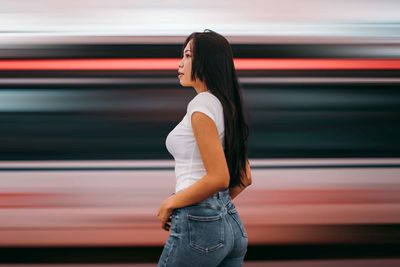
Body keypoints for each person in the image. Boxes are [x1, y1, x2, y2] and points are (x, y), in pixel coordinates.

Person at [157, 29, 252, 267]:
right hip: (231, 227)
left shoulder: (201, 106)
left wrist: (172, 202)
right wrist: (215, 209)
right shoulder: (226, 106)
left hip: (200, 228)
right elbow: (244, 177)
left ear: (205, 62)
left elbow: (219, 177)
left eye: (188, 56)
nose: (180, 63)